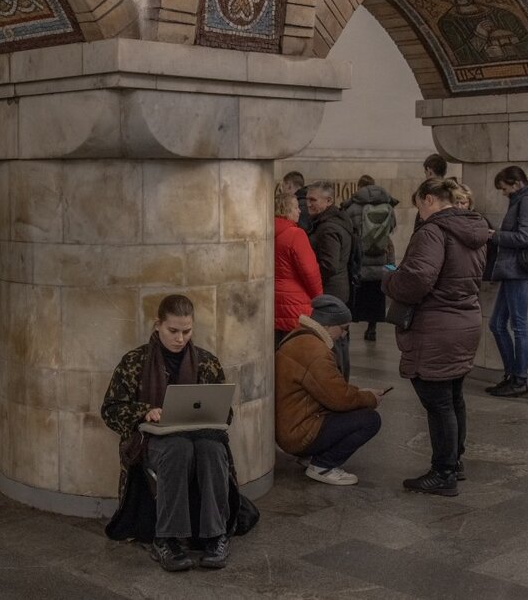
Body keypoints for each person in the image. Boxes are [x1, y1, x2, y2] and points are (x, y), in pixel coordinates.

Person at [101, 295, 257, 572]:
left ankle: (215, 536)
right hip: (154, 441)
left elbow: (226, 413)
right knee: (178, 449)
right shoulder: (135, 362)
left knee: (213, 449)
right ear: (158, 325)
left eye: (187, 331)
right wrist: (144, 411)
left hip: (202, 438)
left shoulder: (206, 362)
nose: (180, 338)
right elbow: (111, 409)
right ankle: (168, 539)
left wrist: (214, 412)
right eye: (173, 331)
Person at [382, 177, 489, 496]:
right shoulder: (474, 229)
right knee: (453, 397)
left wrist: (388, 280)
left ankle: (443, 473)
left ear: (429, 199)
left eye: (418, 205)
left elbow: (416, 281)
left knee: (438, 402)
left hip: (438, 325)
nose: (419, 212)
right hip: (465, 319)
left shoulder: (432, 231)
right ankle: (453, 463)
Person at [275, 295, 385, 486]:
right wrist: (370, 398)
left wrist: (359, 393)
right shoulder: (315, 351)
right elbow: (339, 398)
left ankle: (311, 456)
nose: (344, 335)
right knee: (369, 420)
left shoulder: (299, 336)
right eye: (343, 329)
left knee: (354, 407)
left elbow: (328, 390)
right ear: (326, 325)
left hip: (291, 426)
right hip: (299, 434)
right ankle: (323, 466)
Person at [485, 166, 528, 399]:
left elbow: (527, 237)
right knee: (496, 324)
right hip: (512, 271)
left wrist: (495, 235)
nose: (502, 193)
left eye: (503, 188)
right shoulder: (522, 199)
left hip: (519, 271)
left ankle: (519, 379)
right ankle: (512, 375)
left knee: (519, 326)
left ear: (516, 183)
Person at [305, 181, 355, 379]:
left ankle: (337, 382)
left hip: (331, 291)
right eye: (307, 199)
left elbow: (329, 264)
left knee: (334, 341)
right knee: (339, 339)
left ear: (328, 201)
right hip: (338, 290)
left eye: (313, 200)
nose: (308, 204)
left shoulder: (328, 228)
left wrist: (311, 281)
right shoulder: (334, 221)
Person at [341, 175, 398, 342]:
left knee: (355, 297)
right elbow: (392, 228)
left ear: (359, 188)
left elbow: (347, 230)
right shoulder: (388, 207)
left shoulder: (351, 208)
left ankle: (348, 330)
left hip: (359, 261)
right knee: (375, 296)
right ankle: (372, 329)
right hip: (380, 260)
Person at [274, 189, 322, 346]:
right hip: (294, 302)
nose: (300, 210)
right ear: (286, 209)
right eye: (295, 207)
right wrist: (319, 298)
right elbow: (310, 272)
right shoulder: (295, 234)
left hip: (273, 300)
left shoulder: (265, 232)